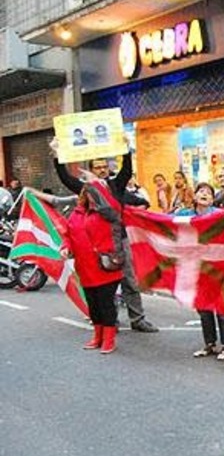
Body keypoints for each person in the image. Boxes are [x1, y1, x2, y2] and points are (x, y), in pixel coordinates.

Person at [52, 143, 159, 333]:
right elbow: (65, 178)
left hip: (119, 241)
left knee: (129, 281)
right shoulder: (86, 188)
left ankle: (138, 319)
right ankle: (111, 321)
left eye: (104, 167)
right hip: (96, 245)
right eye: (97, 167)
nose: (102, 170)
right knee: (105, 286)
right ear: (91, 170)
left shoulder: (116, 185)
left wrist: (125, 149)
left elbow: (127, 170)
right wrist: (57, 154)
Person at [58, 179, 124, 353]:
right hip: (85, 268)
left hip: (106, 267)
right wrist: (65, 248)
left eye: (96, 193)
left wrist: (99, 188)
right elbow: (68, 235)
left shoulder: (109, 213)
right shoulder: (75, 214)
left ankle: (109, 339)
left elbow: (113, 208)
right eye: (89, 193)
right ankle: (97, 336)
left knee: (105, 304)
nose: (92, 197)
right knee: (93, 306)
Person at [175, 182, 224, 360]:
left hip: (218, 266)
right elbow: (166, 225)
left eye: (209, 193)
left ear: (212, 199)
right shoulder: (185, 215)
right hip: (196, 268)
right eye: (201, 191)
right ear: (194, 196)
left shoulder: (219, 215)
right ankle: (209, 343)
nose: (205, 195)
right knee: (203, 308)